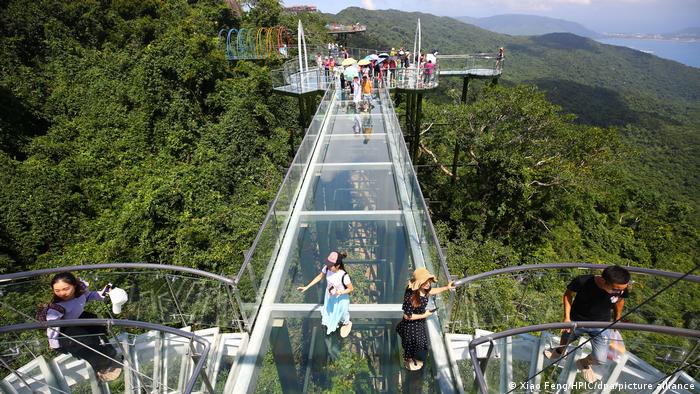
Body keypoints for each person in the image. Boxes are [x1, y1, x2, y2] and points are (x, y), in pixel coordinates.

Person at [543, 265, 631, 383]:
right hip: (577, 320)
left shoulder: (620, 288)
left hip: (601, 324)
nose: (620, 292)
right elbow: (568, 294)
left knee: (600, 359)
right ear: (604, 281)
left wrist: (617, 317)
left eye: (622, 289)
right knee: (565, 337)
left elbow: (620, 300)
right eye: (616, 289)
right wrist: (567, 318)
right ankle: (560, 352)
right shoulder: (583, 281)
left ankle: (583, 363)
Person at [44, 272, 124, 382]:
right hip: (67, 329)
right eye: (57, 291)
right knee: (87, 345)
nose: (62, 293)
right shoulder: (57, 308)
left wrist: (106, 290)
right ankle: (102, 368)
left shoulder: (80, 292)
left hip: (80, 319)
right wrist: (54, 344)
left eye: (65, 289)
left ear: (74, 286)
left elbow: (89, 296)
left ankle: (109, 356)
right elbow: (53, 327)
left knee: (98, 335)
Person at [396, 268, 455, 371]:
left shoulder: (425, 289)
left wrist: (446, 287)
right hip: (411, 324)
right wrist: (425, 315)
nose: (428, 284)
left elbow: (431, 291)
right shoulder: (410, 296)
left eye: (429, 281)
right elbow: (407, 316)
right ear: (419, 283)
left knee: (420, 343)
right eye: (425, 282)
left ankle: (413, 358)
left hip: (419, 322)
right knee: (411, 343)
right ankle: (408, 362)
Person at [297, 251, 354, 337]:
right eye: (328, 264)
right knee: (331, 312)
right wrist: (307, 287)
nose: (328, 266)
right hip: (330, 296)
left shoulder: (344, 276)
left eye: (331, 265)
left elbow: (350, 288)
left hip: (340, 298)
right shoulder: (327, 268)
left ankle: (347, 323)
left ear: (338, 265)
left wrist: (341, 292)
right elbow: (319, 276)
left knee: (342, 312)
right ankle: (335, 322)